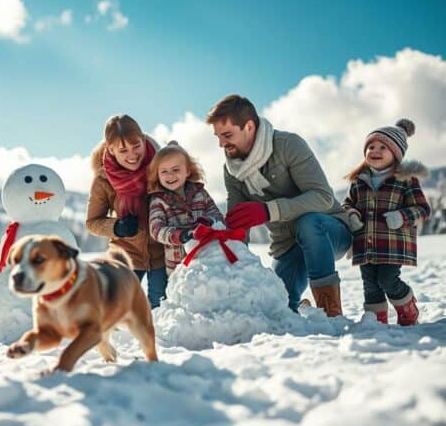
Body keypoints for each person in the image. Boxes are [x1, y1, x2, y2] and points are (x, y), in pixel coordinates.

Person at [207, 94, 351, 316]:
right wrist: (231, 262)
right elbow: (237, 225)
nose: (221, 144)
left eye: (227, 135)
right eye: (218, 137)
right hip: (287, 246)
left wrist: (268, 211)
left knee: (308, 223)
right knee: (276, 308)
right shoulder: (232, 171)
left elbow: (323, 197)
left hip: (328, 232)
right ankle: (302, 308)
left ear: (249, 127)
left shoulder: (288, 145)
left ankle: (330, 311)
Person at [343, 119, 430, 325]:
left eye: (383, 147)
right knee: (370, 285)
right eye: (371, 146)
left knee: (387, 280)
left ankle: (408, 307)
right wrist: (351, 215)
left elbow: (422, 209)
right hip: (365, 243)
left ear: (396, 154)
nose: (375, 151)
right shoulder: (359, 181)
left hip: (392, 244)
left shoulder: (405, 180)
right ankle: (376, 320)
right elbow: (347, 204)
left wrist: (402, 217)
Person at [86, 114, 166, 308]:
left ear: (143, 139)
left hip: (161, 254)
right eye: (123, 150)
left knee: (162, 308)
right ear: (110, 150)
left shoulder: (162, 167)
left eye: (136, 145)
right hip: (125, 255)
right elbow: (92, 222)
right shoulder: (103, 180)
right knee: (118, 308)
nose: (132, 155)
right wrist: (117, 227)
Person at [148, 141, 224, 276]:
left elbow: (217, 215)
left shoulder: (200, 193)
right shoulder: (158, 201)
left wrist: (207, 221)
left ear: (187, 171)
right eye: (164, 171)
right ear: (157, 175)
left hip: (206, 261)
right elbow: (156, 229)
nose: (170, 175)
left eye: (175, 170)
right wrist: (180, 235)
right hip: (178, 268)